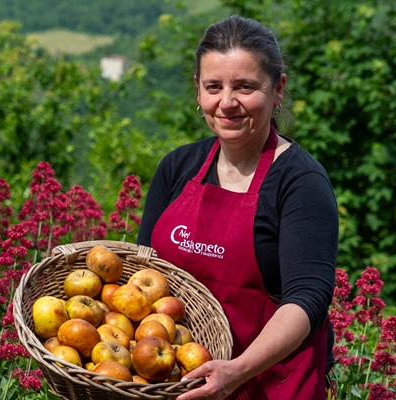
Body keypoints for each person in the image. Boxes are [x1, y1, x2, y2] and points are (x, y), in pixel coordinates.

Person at [137, 15, 339, 400]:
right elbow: (144, 276)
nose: (227, 103)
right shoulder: (177, 168)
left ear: (278, 90)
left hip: (270, 386)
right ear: (198, 91)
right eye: (213, 86)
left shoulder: (301, 182)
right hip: (177, 383)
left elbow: (307, 298)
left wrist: (236, 372)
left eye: (245, 87)